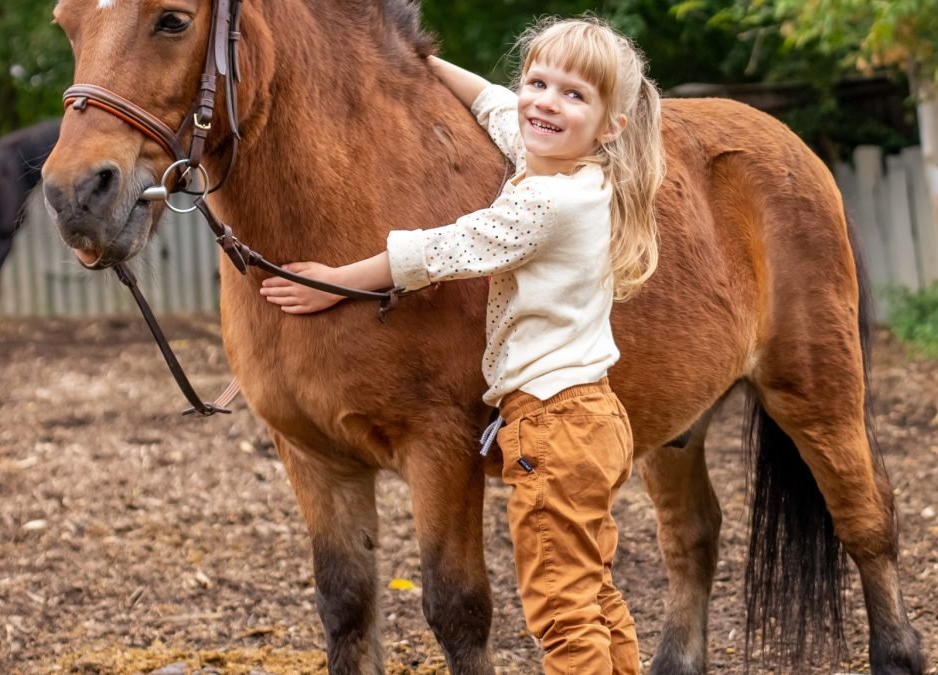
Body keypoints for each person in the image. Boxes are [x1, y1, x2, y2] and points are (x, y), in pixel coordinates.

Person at [260, 16, 664, 674]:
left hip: (553, 426)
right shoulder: (580, 169)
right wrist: (421, 64)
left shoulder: (548, 204)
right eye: (537, 81)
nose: (543, 102)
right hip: (590, 418)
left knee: (560, 606)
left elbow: (444, 249)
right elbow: (495, 105)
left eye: (572, 95)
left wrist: (339, 280)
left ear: (610, 124)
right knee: (592, 588)